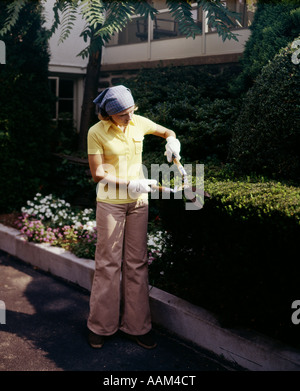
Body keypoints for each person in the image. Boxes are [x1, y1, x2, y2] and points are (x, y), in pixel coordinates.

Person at [87, 85, 181, 349]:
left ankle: (137, 326)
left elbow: (166, 131)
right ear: (109, 114)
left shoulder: (138, 122)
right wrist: (129, 185)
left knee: (137, 262)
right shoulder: (96, 133)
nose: (129, 118)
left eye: (131, 112)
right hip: (111, 204)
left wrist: (172, 142)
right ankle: (100, 326)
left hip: (138, 203)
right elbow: (97, 174)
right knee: (108, 264)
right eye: (123, 115)